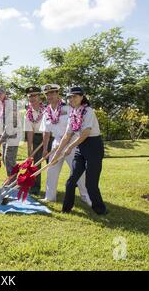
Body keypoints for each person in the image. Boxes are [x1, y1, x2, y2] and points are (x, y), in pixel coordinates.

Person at [50, 87, 107, 215]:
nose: (72, 99)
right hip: (80, 147)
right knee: (71, 182)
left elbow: (86, 132)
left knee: (91, 184)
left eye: (75, 96)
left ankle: (100, 210)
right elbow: (67, 135)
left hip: (93, 146)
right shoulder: (73, 113)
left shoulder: (88, 111)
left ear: (82, 97)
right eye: (69, 97)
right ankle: (66, 209)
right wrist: (57, 154)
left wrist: (70, 147)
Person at [39, 84, 91, 205]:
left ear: (58, 94)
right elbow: (46, 132)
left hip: (71, 142)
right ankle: (50, 197)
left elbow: (76, 127)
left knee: (77, 171)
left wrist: (70, 144)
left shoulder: (68, 108)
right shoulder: (46, 112)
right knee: (51, 169)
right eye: (47, 94)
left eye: (52, 93)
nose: (50, 96)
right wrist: (45, 149)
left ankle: (86, 196)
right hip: (56, 143)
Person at [0, 86, 21, 176]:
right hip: (5, 134)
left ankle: (13, 183)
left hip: (13, 134)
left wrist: (0, 140)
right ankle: (11, 179)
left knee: (9, 158)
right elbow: (1, 121)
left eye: (0, 94)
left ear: (5, 93)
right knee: (5, 159)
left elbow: (10, 124)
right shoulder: (0, 104)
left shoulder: (10, 103)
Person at [24, 87, 45, 195]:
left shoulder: (47, 109)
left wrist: (46, 141)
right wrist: (30, 150)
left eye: (34, 95)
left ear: (39, 96)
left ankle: (51, 189)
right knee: (36, 164)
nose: (32, 98)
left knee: (52, 163)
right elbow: (29, 132)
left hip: (50, 137)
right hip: (37, 138)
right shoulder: (28, 114)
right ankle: (35, 188)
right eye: (30, 96)